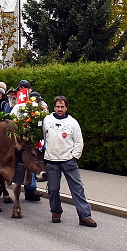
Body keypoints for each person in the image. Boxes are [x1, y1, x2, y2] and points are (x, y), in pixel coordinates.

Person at [42, 95, 96, 227]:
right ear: (54, 107)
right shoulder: (47, 120)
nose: (60, 109)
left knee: (77, 189)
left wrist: (74, 157)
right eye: (58, 107)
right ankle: (55, 212)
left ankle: (85, 216)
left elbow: (79, 142)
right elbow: (44, 137)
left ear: (66, 108)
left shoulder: (73, 123)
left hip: (68, 161)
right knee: (53, 189)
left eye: (62, 107)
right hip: (52, 160)